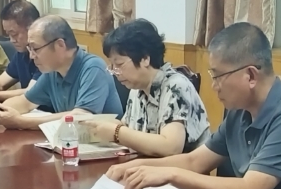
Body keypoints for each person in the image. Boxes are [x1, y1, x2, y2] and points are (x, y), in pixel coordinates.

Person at [108, 22, 281, 189]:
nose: (214, 86)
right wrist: (135, 167)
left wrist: (171, 174)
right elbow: (195, 162)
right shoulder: (240, 111)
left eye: (218, 76)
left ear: (251, 76)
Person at [85, 17, 209, 156]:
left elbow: (170, 147)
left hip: (180, 168)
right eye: (112, 65)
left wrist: (117, 132)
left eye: (119, 64)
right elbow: (128, 130)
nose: (114, 72)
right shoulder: (136, 89)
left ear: (145, 59)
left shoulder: (175, 87)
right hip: (147, 165)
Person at [0, 15, 123, 130]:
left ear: (60, 45)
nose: (32, 56)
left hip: (108, 148)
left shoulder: (93, 67)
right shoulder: (52, 72)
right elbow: (25, 102)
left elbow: (80, 117)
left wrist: (21, 122)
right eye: (29, 49)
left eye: (35, 48)